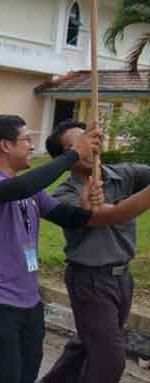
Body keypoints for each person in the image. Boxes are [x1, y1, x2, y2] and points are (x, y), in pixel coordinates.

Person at [0, 115, 150, 383]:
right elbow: (21, 186)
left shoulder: (33, 195)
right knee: (4, 376)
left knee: (25, 375)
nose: (30, 146)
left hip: (28, 299)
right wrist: (74, 154)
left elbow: (69, 217)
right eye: (26, 139)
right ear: (6, 145)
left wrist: (88, 207)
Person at [41, 121, 150, 383]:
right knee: (109, 361)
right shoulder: (63, 196)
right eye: (77, 145)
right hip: (90, 281)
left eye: (91, 139)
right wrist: (88, 205)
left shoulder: (122, 175)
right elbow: (108, 216)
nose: (89, 147)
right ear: (64, 158)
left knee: (85, 347)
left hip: (123, 279)